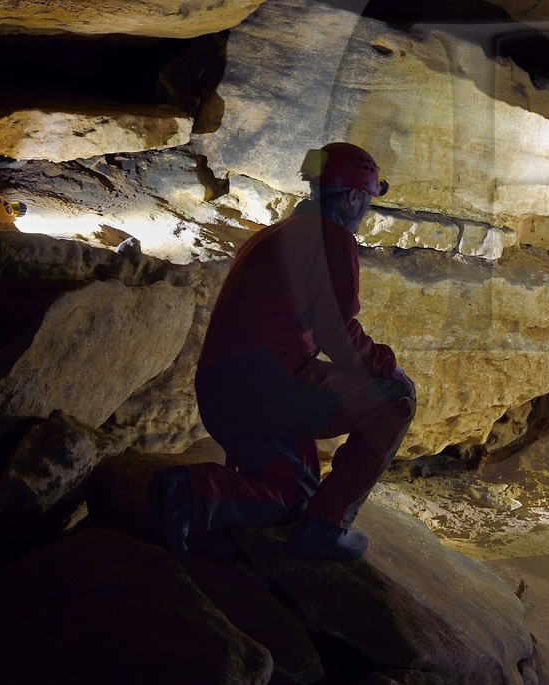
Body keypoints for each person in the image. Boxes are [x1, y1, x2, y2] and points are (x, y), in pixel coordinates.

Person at [149, 142, 416, 561]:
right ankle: (326, 529)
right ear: (353, 197)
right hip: (266, 384)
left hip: (224, 389)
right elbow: (337, 332)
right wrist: (386, 368)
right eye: (366, 201)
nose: (364, 211)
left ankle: (188, 493)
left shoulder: (273, 234)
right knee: (396, 400)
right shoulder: (330, 237)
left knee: (292, 495)